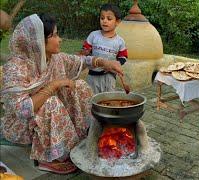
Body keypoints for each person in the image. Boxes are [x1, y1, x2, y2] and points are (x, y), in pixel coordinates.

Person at [1, 13, 123, 174]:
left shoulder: (54, 58)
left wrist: (104, 63)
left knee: (79, 86)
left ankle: (80, 136)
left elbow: (82, 61)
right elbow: (21, 110)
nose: (60, 40)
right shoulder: (16, 67)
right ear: (37, 40)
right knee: (51, 102)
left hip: (48, 118)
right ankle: (47, 158)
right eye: (55, 35)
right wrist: (53, 85)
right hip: (22, 125)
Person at [80, 3, 128, 94]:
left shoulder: (120, 41)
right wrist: (85, 53)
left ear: (117, 22)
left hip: (109, 76)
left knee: (108, 100)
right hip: (92, 76)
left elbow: (123, 57)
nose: (104, 21)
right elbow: (85, 51)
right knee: (92, 100)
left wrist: (117, 63)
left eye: (109, 19)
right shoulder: (93, 35)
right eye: (102, 18)